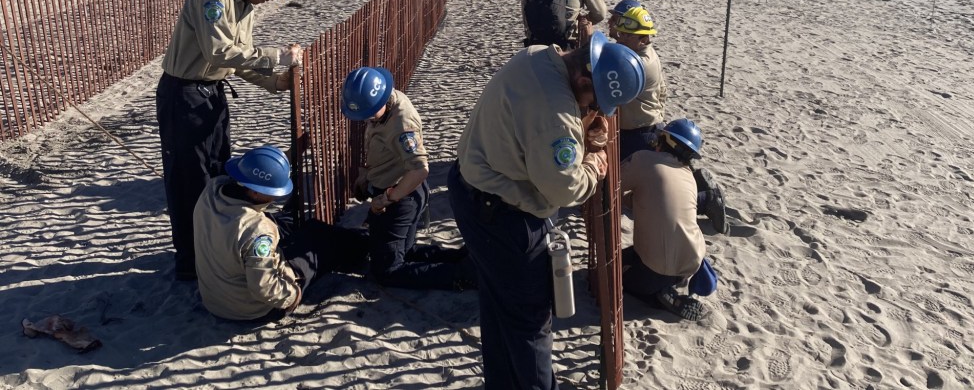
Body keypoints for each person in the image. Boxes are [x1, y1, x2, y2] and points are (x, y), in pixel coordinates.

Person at [449, 31, 645, 390]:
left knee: (498, 307)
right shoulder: (555, 115)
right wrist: (594, 162)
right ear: (584, 78)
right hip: (505, 217)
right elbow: (564, 187)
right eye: (595, 101)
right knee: (530, 323)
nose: (595, 110)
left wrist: (582, 120)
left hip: (472, 190)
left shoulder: (539, 54)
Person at [157, 0, 302, 281]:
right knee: (188, 179)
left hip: (212, 92)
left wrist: (274, 82)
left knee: (219, 173)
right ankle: (190, 260)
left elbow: (238, 60)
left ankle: (213, 246)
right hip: (184, 95)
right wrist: (277, 56)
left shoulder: (246, 7)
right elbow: (219, 51)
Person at [193, 145, 369, 321]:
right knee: (321, 245)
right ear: (255, 192)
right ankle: (365, 243)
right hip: (251, 310)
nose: (275, 197)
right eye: (272, 193)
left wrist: (287, 156)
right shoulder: (257, 230)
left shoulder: (212, 190)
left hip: (215, 298)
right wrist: (293, 295)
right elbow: (264, 287)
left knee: (306, 228)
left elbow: (259, 169)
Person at [341, 66, 476, 291]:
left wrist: (387, 199)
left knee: (387, 271)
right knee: (407, 250)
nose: (366, 119)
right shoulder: (387, 103)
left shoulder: (402, 125)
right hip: (402, 191)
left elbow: (419, 169)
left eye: (370, 112)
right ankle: (462, 259)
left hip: (401, 195)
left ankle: (461, 275)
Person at [620, 119, 726, 321]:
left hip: (657, 266)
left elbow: (613, 182)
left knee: (622, 279)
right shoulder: (688, 176)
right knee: (629, 258)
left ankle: (661, 297)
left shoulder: (644, 159)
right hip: (691, 262)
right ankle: (669, 285)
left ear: (665, 140)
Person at [611, 5, 667, 160]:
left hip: (639, 133)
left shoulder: (640, 63)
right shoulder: (644, 52)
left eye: (628, 36)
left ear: (644, 38)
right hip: (644, 126)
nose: (621, 38)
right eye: (621, 33)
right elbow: (663, 90)